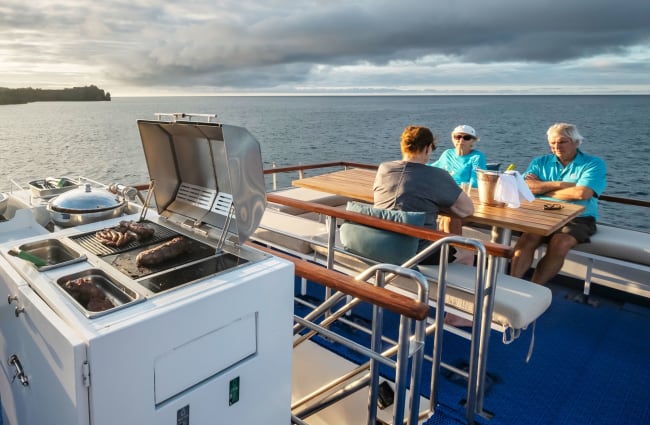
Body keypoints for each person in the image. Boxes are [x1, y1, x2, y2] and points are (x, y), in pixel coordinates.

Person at [510, 123, 607, 285]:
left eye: (562, 142)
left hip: (579, 216)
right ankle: (513, 285)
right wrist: (561, 185)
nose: (557, 146)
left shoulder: (593, 164)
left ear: (576, 142)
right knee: (529, 237)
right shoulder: (540, 162)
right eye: (553, 143)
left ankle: (535, 288)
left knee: (560, 242)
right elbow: (526, 187)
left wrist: (542, 188)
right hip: (543, 212)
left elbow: (582, 193)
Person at [373, 125, 474, 265]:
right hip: (417, 253)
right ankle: (447, 286)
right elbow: (468, 209)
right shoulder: (437, 176)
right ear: (427, 148)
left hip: (381, 242)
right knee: (468, 253)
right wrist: (441, 205)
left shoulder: (384, 169)